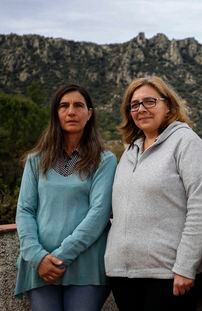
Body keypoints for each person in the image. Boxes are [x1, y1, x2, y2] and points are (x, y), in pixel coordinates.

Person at [104, 76, 202, 310]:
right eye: (134, 105)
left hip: (169, 275)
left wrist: (186, 267)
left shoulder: (187, 143)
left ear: (169, 106)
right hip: (123, 275)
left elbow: (200, 209)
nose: (141, 109)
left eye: (150, 101)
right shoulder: (130, 150)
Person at [14, 84, 117, 311]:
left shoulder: (104, 160)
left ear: (89, 114)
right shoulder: (35, 160)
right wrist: (37, 256)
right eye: (64, 106)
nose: (71, 111)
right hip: (39, 265)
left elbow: (99, 213)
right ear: (56, 113)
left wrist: (60, 257)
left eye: (78, 105)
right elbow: (25, 210)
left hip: (87, 265)